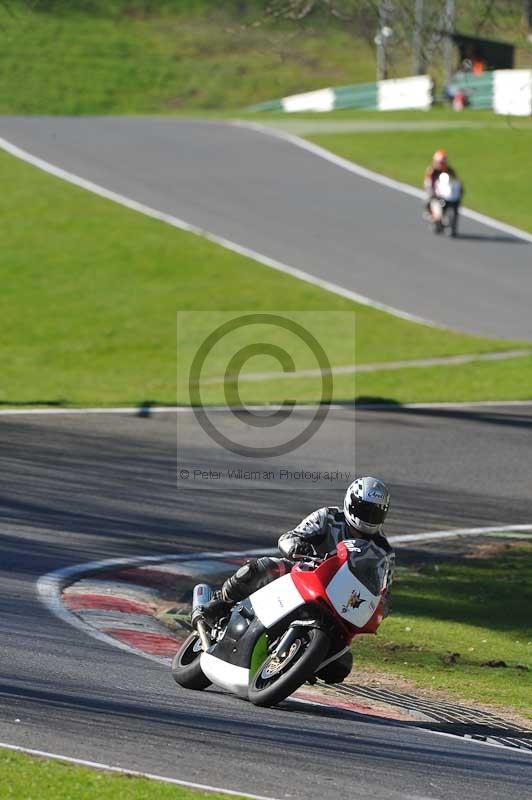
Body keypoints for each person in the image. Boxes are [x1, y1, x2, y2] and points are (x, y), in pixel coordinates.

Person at [196, 476, 395, 684]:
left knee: (340, 667)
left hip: (342, 599)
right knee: (264, 567)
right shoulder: (328, 517)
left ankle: (299, 660)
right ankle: (220, 603)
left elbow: (385, 592)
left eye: (376, 512)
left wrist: (379, 608)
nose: (369, 517)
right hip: (305, 572)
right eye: (365, 509)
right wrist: (296, 547)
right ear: (351, 503)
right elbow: (290, 536)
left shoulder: (383, 551)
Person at [424, 149, 462, 217]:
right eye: (440, 163)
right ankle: (429, 211)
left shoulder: (450, 170)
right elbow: (428, 182)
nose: (441, 165)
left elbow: (456, 180)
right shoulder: (432, 171)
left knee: (457, 202)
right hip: (435, 191)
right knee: (429, 198)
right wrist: (432, 191)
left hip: (447, 193)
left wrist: (459, 189)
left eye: (443, 162)